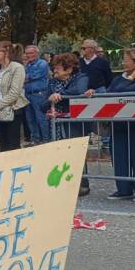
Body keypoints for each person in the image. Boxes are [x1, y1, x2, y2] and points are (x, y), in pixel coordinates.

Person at [96, 47, 135, 201]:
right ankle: (123, 189)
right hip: (118, 124)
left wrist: (128, 80)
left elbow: (123, 91)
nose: (124, 62)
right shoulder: (118, 78)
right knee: (119, 156)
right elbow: (110, 94)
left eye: (127, 60)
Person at [41, 52, 91, 195]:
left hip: (74, 123)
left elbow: (79, 90)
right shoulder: (51, 83)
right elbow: (42, 104)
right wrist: (51, 99)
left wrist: (60, 95)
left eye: (57, 68)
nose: (54, 70)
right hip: (56, 124)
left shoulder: (81, 77)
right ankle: (63, 184)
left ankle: (82, 184)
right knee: (59, 154)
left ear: (68, 69)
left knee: (76, 153)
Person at [0, 41, 29, 151]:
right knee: (3, 145)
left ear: (6, 52)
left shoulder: (17, 68)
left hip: (12, 111)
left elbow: (14, 93)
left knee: (13, 146)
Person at [23, 45, 51, 144]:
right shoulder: (27, 65)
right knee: (30, 119)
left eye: (31, 53)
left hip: (39, 95)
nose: (29, 55)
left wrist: (22, 79)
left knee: (41, 118)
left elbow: (28, 77)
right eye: (27, 53)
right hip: (27, 95)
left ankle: (46, 140)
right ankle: (36, 139)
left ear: (37, 53)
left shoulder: (42, 64)